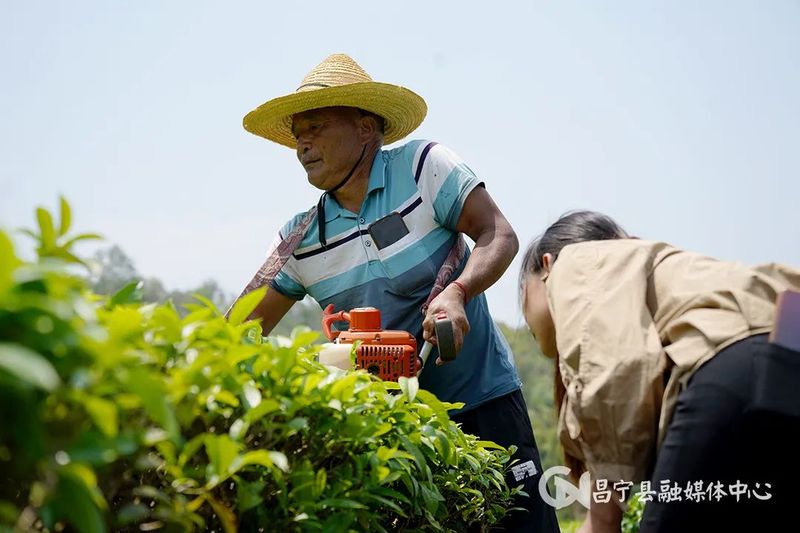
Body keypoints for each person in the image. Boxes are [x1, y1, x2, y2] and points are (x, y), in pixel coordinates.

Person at [234, 53, 559, 532]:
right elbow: (239, 329)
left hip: (485, 404)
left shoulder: (425, 168)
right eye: (297, 134)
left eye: (316, 126)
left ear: (366, 127)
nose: (302, 144)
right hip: (398, 437)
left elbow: (498, 233)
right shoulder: (299, 240)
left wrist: (458, 291)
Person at [519, 210, 800, 533]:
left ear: (547, 265)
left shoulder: (580, 262)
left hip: (731, 370)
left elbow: (617, 367)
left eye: (522, 290)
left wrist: (603, 515)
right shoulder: (665, 268)